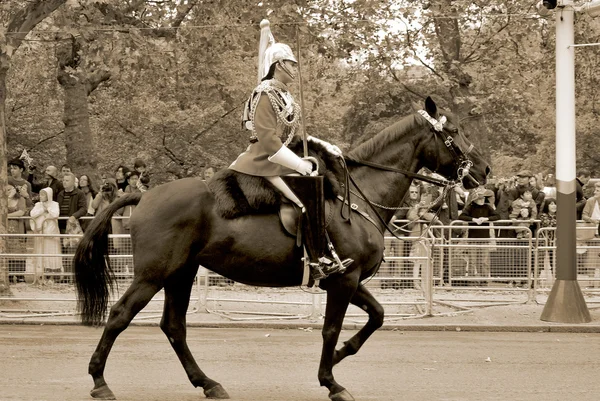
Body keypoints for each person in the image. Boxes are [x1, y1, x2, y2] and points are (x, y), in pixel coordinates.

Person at [228, 21, 351, 279]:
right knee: (305, 201)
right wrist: (299, 165)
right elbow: (268, 139)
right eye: (292, 63)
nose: (296, 68)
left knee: (316, 186)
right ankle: (318, 261)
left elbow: (293, 135)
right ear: (279, 64)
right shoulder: (264, 93)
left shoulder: (285, 96)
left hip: (277, 159)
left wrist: (324, 145)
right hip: (261, 160)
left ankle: (325, 252)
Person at [457, 187, 500, 284]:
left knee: (484, 261)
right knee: (472, 260)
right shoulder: (471, 207)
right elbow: (462, 216)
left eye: (483, 198)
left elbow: (497, 216)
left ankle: (484, 281)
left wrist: (486, 219)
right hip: (473, 238)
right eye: (479, 198)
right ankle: (472, 281)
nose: (482, 200)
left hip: (484, 238)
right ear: (475, 199)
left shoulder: (487, 207)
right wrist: (473, 220)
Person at [30, 188, 62, 279]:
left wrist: (48, 208)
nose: (41, 196)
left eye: (43, 195)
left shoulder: (55, 204)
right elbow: (32, 214)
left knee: (51, 251)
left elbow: (55, 214)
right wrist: (42, 210)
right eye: (40, 194)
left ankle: (53, 274)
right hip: (41, 232)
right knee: (41, 251)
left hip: (51, 232)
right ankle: (42, 273)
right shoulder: (38, 205)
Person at [6, 183, 28, 282]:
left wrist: (7, 216)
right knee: (8, 249)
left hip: (17, 227)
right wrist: (9, 198)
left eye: (10, 189)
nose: (8, 191)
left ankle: (20, 275)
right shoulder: (4, 200)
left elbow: (21, 212)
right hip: (6, 228)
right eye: (6, 190)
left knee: (19, 250)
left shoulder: (21, 199)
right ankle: (9, 275)